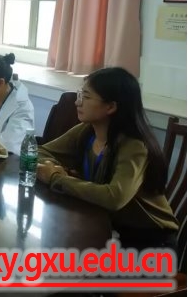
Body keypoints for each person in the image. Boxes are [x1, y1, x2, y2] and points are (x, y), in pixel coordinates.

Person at [36, 67, 178, 250]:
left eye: (86, 97)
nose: (77, 102)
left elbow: (114, 197)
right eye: (80, 94)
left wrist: (56, 178)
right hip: (109, 227)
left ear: (111, 106)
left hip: (150, 242)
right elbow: (42, 151)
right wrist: (56, 168)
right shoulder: (87, 131)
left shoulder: (133, 146)